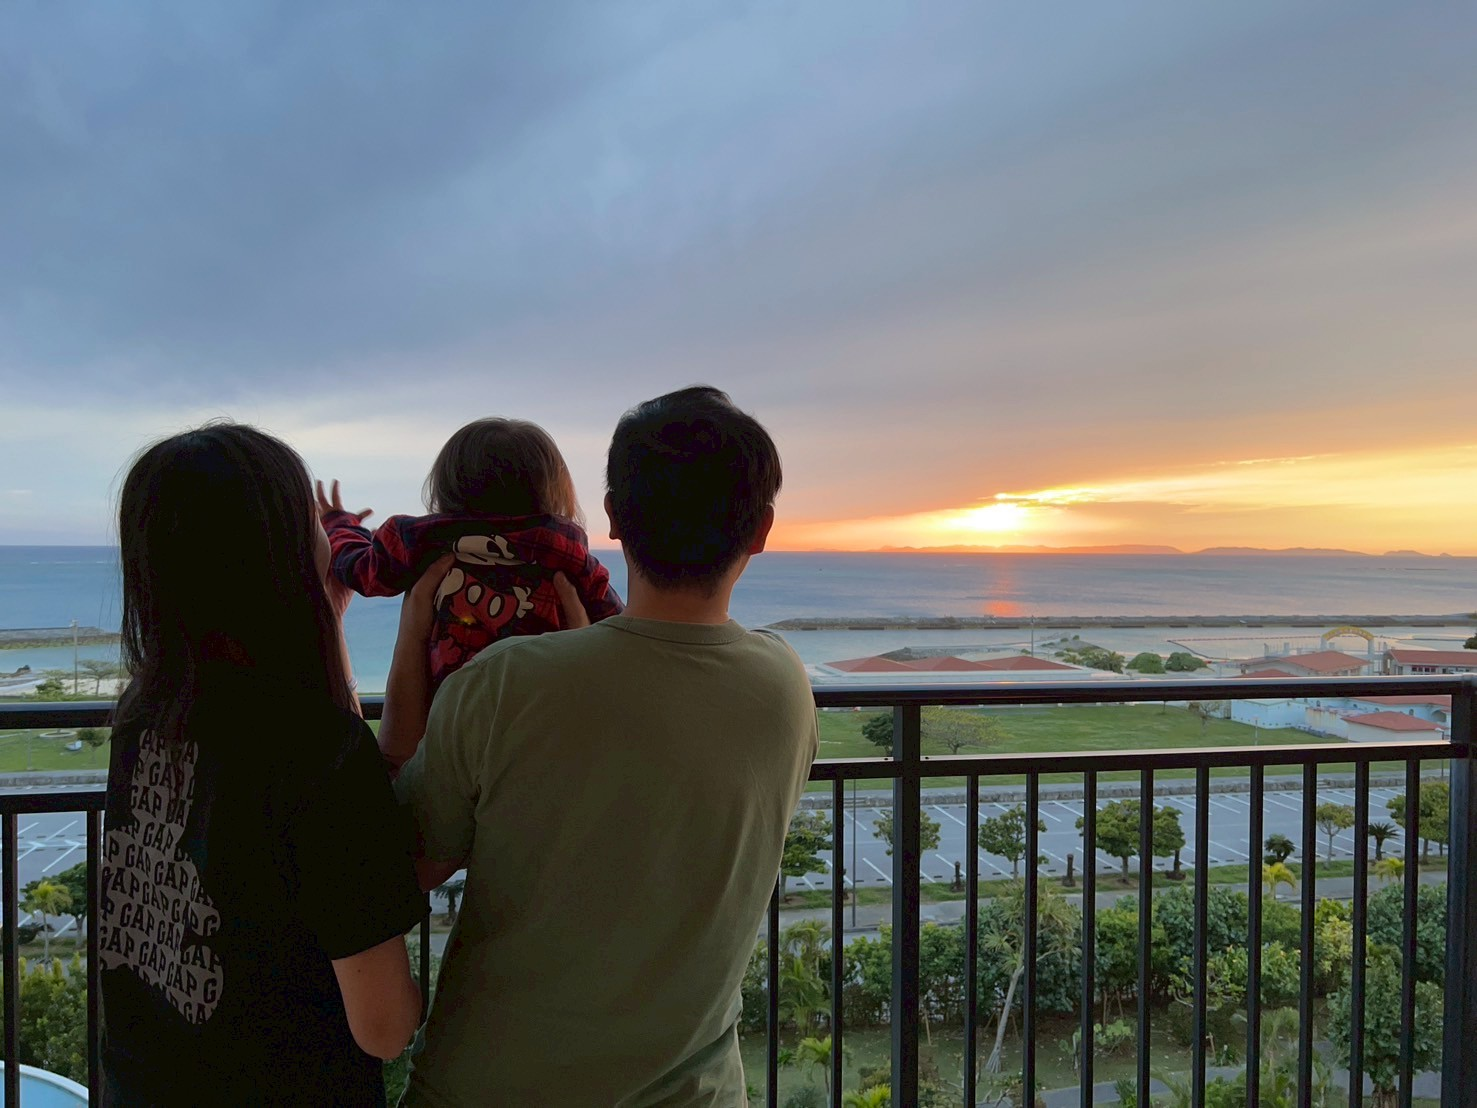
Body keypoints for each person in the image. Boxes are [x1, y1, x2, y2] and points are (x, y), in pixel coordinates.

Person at [385, 386, 819, 1106]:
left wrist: (412, 632)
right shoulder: (784, 684)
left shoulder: (503, 684)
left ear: (613, 516)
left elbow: (410, 864)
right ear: (762, 530)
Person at [99, 423, 427, 1106]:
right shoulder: (318, 754)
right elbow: (385, 1029)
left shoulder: (146, 715)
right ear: (277, 553)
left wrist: (328, 620)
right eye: (310, 520)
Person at [320, 417, 623, 690]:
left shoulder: (421, 543)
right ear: (554, 491)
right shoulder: (567, 553)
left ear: (446, 488)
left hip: (449, 713)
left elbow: (360, 570)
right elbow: (617, 624)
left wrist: (339, 525)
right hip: (545, 706)